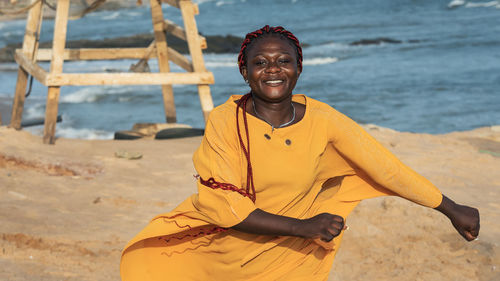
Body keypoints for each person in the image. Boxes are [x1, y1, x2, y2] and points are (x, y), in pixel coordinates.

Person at [120, 25, 480, 281]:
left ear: (298, 68)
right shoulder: (225, 121)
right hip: (225, 257)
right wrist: (304, 226)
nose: (273, 69)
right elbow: (224, 206)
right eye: (261, 63)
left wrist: (448, 207)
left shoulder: (323, 120)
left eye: (283, 61)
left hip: (293, 259)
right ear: (245, 72)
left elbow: (385, 167)